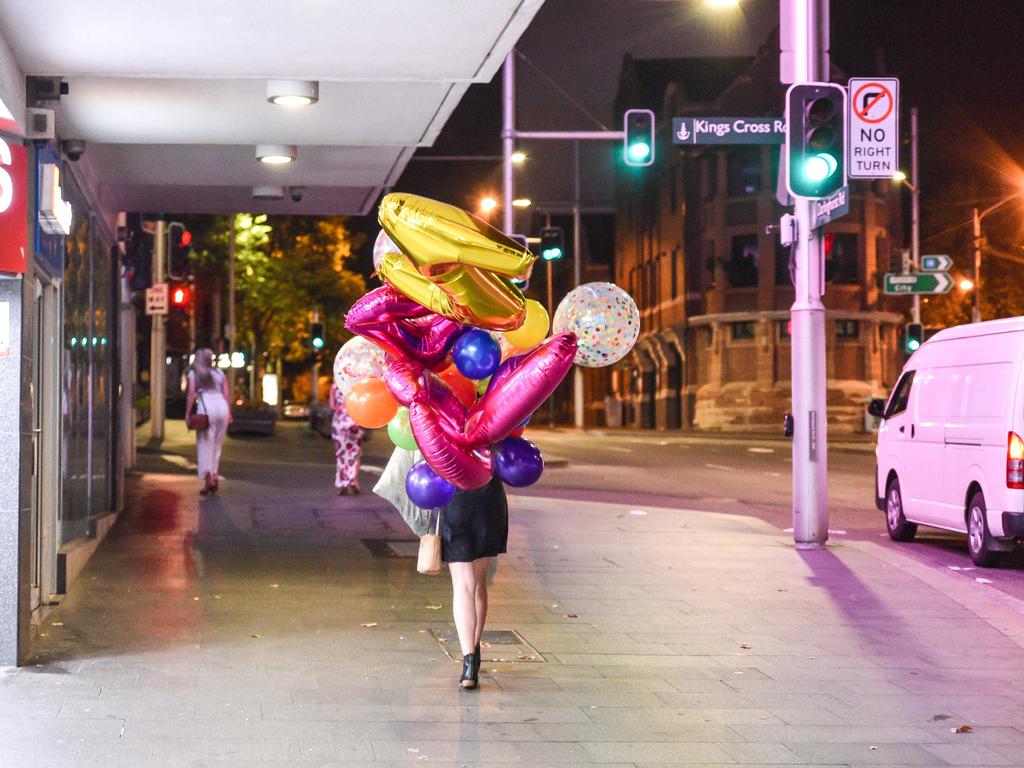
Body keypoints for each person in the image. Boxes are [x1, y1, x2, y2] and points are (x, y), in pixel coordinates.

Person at [441, 475, 508, 690]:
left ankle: (468, 660)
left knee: (463, 584)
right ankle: (474, 655)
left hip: (455, 499)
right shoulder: (493, 438)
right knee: (479, 582)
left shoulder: (444, 438)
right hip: (489, 500)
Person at [185, 348, 231, 495]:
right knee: (217, 445)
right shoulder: (219, 372)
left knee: (205, 445)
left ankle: (209, 478)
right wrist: (229, 413)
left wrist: (187, 413)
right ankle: (214, 476)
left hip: (207, 409)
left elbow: (191, 394)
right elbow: (226, 393)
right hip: (222, 408)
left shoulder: (194, 373)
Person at [329, 382, 362, 495]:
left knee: (341, 455)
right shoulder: (354, 386)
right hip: (352, 419)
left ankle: (342, 482)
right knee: (354, 454)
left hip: (339, 421)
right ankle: (353, 481)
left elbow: (332, 406)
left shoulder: (334, 386)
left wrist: (341, 407)